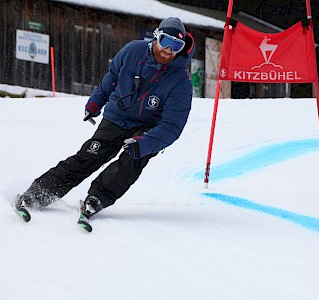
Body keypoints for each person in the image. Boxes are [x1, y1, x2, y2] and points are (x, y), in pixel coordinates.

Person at [14, 17, 195, 220]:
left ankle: (97, 198)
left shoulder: (182, 82)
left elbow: (172, 126)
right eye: (165, 41)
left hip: (147, 127)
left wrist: (145, 144)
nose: (169, 50)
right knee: (90, 155)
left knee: (131, 160)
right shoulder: (133, 51)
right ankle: (38, 193)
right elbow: (112, 77)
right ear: (156, 36)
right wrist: (94, 103)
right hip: (118, 116)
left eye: (176, 46)